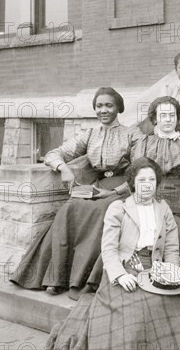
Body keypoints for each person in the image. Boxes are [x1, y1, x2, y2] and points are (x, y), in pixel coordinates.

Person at [46, 157, 180, 350]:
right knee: (132, 311)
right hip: (125, 267)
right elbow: (109, 249)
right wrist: (120, 275)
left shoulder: (163, 209)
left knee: (169, 303)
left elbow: (171, 248)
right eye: (142, 181)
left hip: (154, 269)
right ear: (132, 183)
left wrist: (170, 272)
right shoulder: (118, 208)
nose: (147, 185)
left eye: (152, 180)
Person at [10, 87, 132, 298]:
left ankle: (80, 281)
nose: (103, 110)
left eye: (109, 105)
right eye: (99, 106)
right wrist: (63, 169)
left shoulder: (131, 134)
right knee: (68, 210)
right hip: (99, 184)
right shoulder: (90, 134)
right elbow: (53, 153)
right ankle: (57, 278)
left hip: (122, 187)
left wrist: (114, 191)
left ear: (118, 108)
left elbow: (141, 170)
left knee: (101, 212)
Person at [130, 96, 180, 249]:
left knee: (176, 231)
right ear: (155, 119)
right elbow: (137, 175)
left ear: (177, 118)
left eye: (172, 115)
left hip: (178, 196)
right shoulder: (145, 142)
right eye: (163, 115)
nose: (168, 119)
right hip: (151, 193)